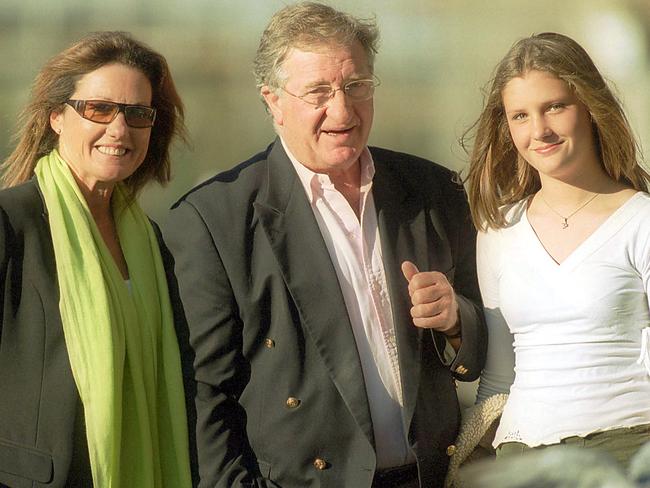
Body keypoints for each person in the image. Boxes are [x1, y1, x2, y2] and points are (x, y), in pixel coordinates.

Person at [163, 2, 486, 487]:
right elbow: (205, 398)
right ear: (272, 101)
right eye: (318, 91)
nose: (342, 109)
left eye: (356, 86)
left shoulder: (434, 192)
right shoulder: (213, 220)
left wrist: (457, 321)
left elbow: (481, 351)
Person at [0, 31, 192, 487]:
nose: (119, 130)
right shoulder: (12, 224)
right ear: (56, 118)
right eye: (99, 109)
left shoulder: (152, 243)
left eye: (137, 114)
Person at [465, 32, 650, 468]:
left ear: (589, 107)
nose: (540, 131)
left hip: (626, 450)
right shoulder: (497, 228)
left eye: (555, 107)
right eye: (521, 116)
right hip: (521, 457)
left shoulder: (641, 220)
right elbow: (498, 374)